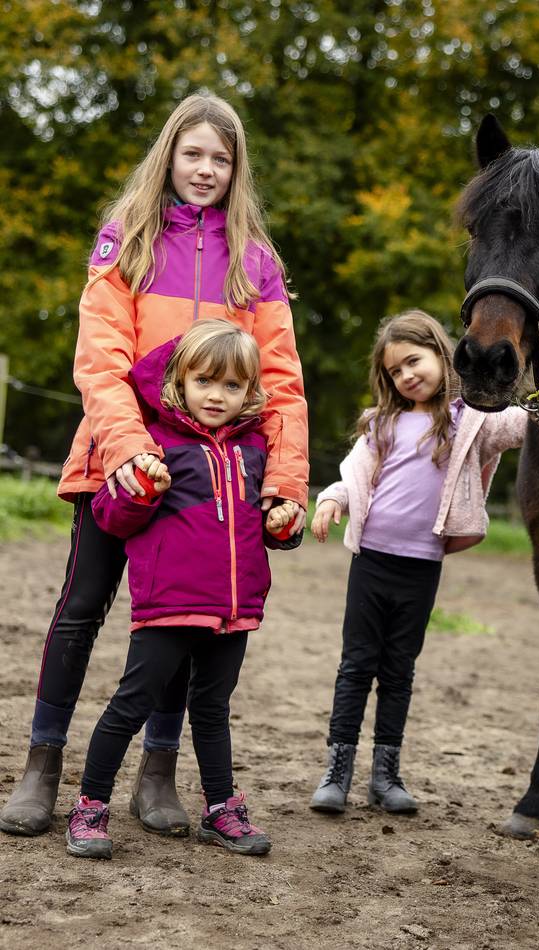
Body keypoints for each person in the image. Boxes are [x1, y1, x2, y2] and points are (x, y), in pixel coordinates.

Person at [0, 93, 308, 840]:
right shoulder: (125, 243)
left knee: (190, 615)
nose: (206, 169)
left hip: (211, 473)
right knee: (81, 610)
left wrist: (285, 485)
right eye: (194, 153)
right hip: (121, 461)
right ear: (170, 156)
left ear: (238, 171)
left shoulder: (256, 264)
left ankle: (159, 772)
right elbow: (100, 363)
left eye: (222, 158)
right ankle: (42, 765)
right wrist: (131, 451)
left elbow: (282, 380)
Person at [64, 320, 300, 860]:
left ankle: (220, 807)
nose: (217, 395)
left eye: (232, 385)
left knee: (213, 709)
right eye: (205, 381)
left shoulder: (254, 449)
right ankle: (91, 806)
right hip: (168, 605)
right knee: (130, 705)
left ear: (250, 391)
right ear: (180, 380)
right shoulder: (155, 444)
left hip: (233, 611)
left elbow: (263, 524)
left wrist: (283, 525)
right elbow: (111, 515)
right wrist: (140, 492)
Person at [308, 310, 525, 815]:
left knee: (399, 669)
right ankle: (336, 770)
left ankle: (386, 775)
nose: (406, 376)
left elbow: (520, 423)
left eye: (413, 362)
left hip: (421, 565)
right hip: (371, 562)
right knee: (356, 665)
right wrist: (331, 500)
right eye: (394, 371)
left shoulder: (466, 421)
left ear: (441, 353)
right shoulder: (380, 424)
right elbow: (356, 479)